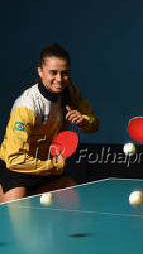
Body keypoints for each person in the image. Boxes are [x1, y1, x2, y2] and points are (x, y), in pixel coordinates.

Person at [0, 43, 99, 202]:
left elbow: (94, 125)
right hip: (19, 170)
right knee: (15, 214)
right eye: (53, 73)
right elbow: (14, 159)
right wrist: (53, 166)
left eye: (64, 73)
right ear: (40, 71)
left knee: (72, 200)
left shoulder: (69, 91)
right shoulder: (26, 106)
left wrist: (83, 121)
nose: (59, 79)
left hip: (48, 169)